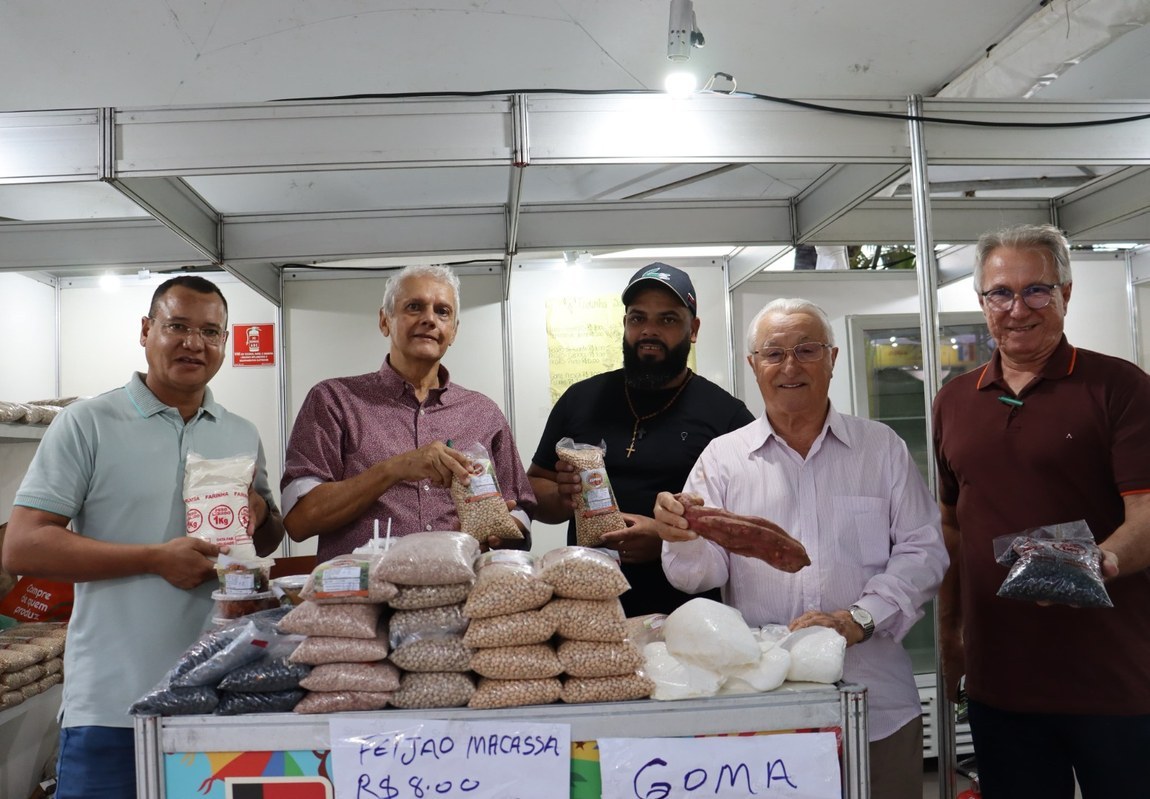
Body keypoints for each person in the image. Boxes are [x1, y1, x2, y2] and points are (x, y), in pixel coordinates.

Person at [652, 297, 947, 799]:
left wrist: (861, 617)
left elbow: (924, 551)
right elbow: (696, 576)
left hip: (877, 701)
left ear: (832, 359)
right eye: (774, 353)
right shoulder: (723, 459)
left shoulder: (881, 448)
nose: (790, 366)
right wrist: (683, 534)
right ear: (754, 366)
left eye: (807, 350)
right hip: (765, 709)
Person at [2, 275, 285, 799]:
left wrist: (260, 509)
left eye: (210, 331)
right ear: (146, 330)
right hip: (113, 705)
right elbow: (23, 545)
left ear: (225, 341)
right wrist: (155, 558)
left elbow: (267, 538)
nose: (193, 343)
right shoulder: (87, 423)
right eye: (176, 326)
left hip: (222, 695)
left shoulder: (240, 431)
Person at [932, 223, 1150, 799]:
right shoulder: (954, 401)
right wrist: (950, 634)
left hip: (1114, 682)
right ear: (982, 302)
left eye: (1037, 290)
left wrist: (1090, 565)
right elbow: (951, 524)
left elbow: (1147, 516)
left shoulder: (1120, 388)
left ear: (1066, 294)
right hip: (1002, 684)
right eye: (1000, 293)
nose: (1017, 308)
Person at [529, 263, 753, 616]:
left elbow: (745, 526)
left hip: (689, 614)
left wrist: (668, 540)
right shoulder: (581, 399)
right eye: (637, 318)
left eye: (667, 319)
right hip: (589, 609)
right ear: (625, 324)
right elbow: (535, 488)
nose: (649, 330)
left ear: (692, 329)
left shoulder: (727, 415)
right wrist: (561, 494)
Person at [282, 264, 536, 560]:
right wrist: (395, 468)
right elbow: (299, 519)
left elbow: (521, 506)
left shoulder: (483, 412)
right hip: (364, 598)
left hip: (461, 592)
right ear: (384, 320)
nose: (429, 319)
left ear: (453, 331)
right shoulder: (334, 401)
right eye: (414, 307)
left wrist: (502, 528)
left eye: (442, 312)